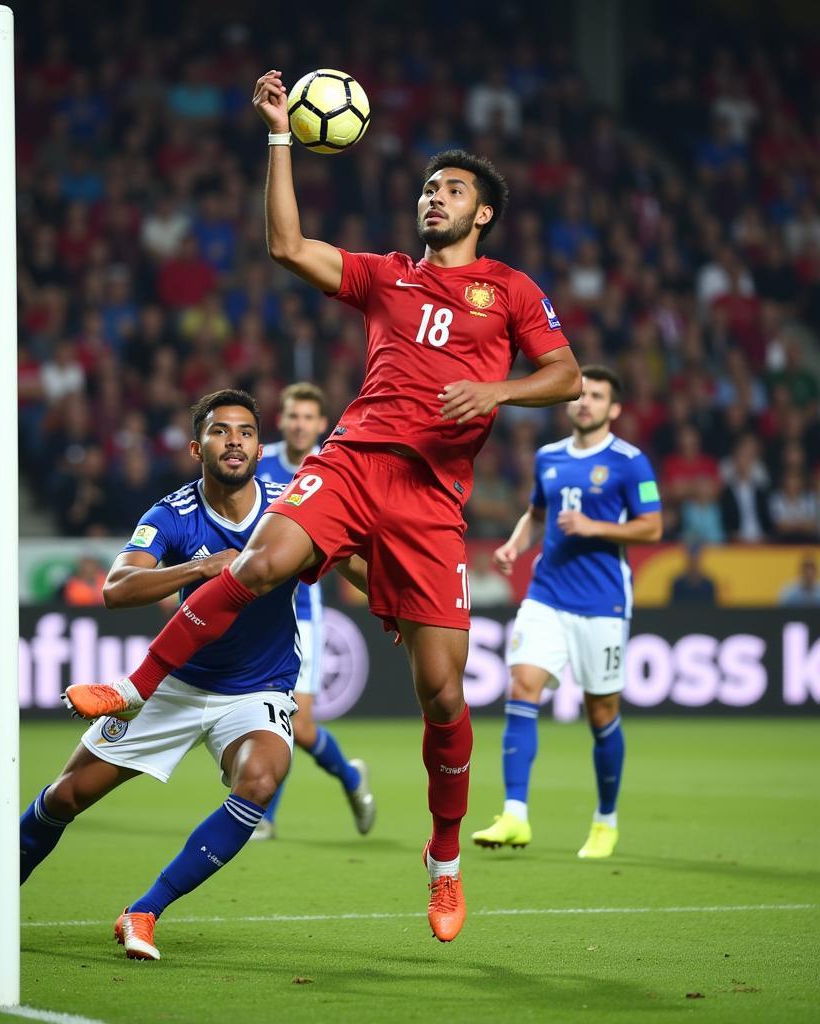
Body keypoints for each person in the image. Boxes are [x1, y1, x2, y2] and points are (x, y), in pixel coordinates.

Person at [64, 70, 582, 943]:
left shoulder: (514, 291)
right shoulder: (387, 277)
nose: (434, 197)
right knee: (260, 563)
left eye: (451, 189)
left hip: (430, 500)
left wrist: (494, 391)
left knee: (442, 692)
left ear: (482, 212)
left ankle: (444, 861)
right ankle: (132, 687)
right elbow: (288, 246)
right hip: (351, 461)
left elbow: (565, 376)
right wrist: (278, 137)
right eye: (427, 187)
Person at [0, 390, 368, 962]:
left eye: (245, 432)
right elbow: (115, 588)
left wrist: (399, 604)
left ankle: (144, 911)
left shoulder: (292, 508)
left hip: (257, 690)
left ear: (261, 450)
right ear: (195, 447)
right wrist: (199, 567)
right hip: (174, 685)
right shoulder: (173, 514)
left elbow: (357, 564)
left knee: (260, 780)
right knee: (65, 796)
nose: (233, 440)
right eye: (219, 431)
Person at [472, 366, 662, 859]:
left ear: (613, 408)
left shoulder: (629, 462)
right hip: (546, 594)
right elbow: (536, 514)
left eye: (597, 396)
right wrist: (515, 544)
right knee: (522, 686)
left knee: (601, 713)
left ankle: (606, 820)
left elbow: (652, 528)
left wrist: (594, 528)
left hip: (603, 604)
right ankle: (515, 814)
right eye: (581, 395)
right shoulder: (548, 457)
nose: (586, 403)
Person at [253, 381, 375, 840]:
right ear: (281, 420)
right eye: (293, 416)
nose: (301, 424)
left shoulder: (336, 467)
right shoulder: (258, 463)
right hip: (254, 604)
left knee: (298, 725)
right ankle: (263, 812)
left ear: (322, 424)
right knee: (266, 712)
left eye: (309, 417)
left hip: (302, 610)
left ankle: (346, 778)